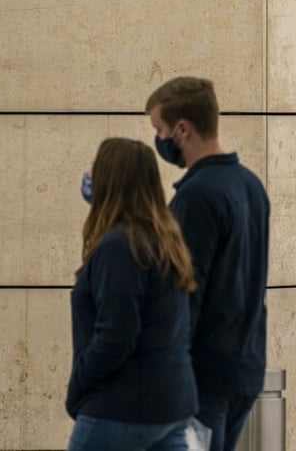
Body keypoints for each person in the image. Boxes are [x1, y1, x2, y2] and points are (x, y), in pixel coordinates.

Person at [145, 76, 270, 451]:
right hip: (244, 367)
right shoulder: (250, 186)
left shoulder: (197, 196)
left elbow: (185, 292)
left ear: (182, 129)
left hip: (203, 379)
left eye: (160, 129)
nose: (159, 140)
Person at [66, 138, 198, 451]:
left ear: (110, 180)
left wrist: (79, 386)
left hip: (121, 407)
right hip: (172, 405)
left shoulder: (119, 247)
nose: (89, 178)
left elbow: (117, 334)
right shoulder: (166, 242)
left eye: (95, 170)